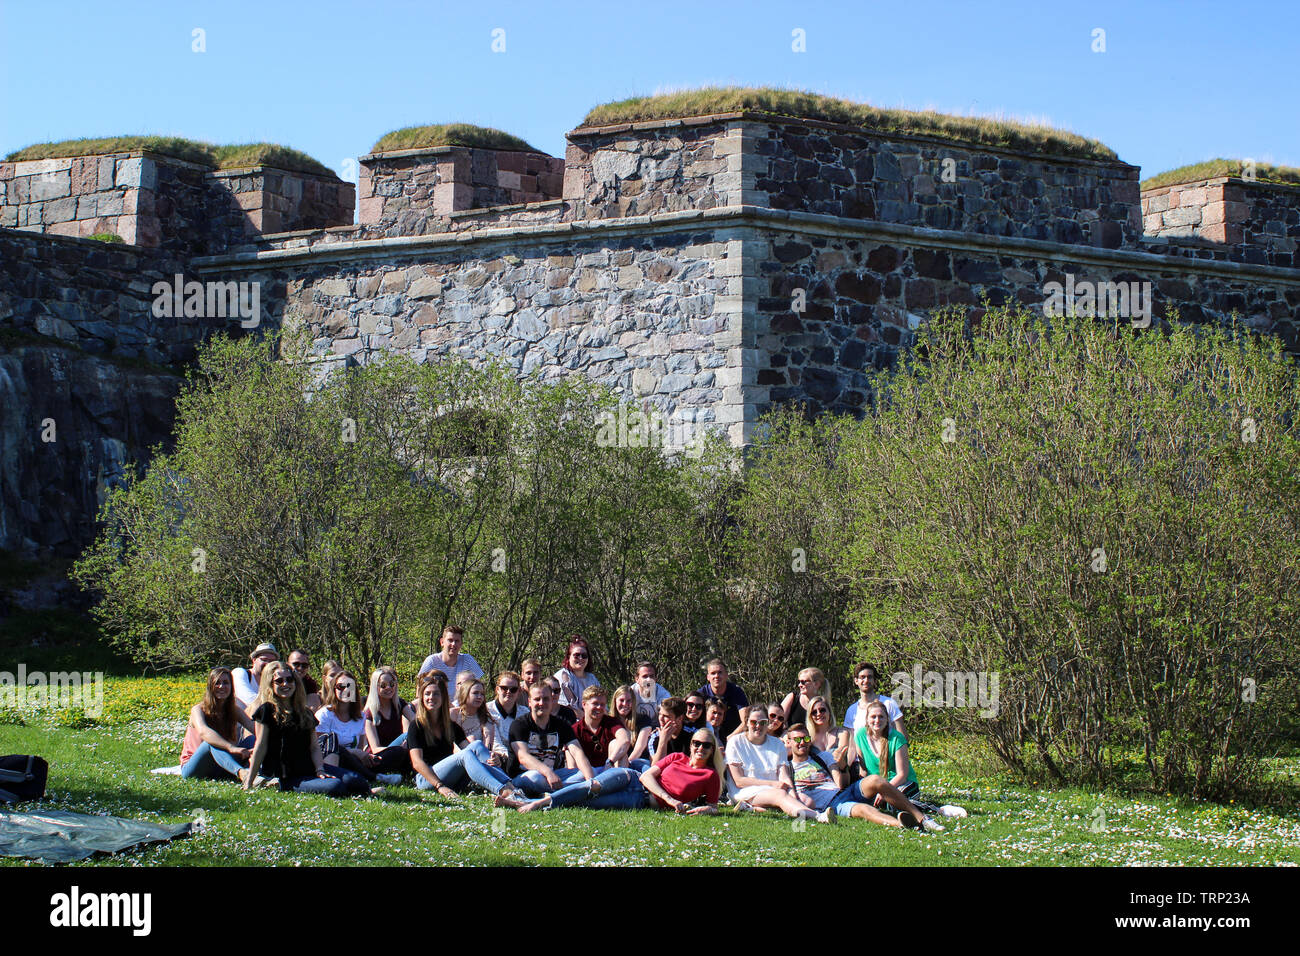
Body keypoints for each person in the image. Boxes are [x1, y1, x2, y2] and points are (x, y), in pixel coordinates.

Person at [505, 728, 726, 814]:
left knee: (586, 802)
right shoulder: (677, 757)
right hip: (631, 779)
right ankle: (536, 803)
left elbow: (715, 807)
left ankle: (525, 800)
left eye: (706, 745)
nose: (700, 748)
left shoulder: (710, 776)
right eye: (696, 743)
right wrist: (669, 799)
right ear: (691, 744)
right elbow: (648, 775)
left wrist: (706, 810)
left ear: (712, 749)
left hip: (638, 801)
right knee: (590, 786)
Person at [244, 663, 372, 796]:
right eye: (279, 681)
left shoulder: (305, 713)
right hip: (286, 775)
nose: (285, 684)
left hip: (309, 767)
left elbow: (315, 747)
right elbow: (260, 746)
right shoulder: (266, 711)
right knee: (335, 786)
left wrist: (320, 770)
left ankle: (364, 791)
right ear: (270, 684)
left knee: (357, 780)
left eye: (289, 679)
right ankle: (274, 784)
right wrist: (249, 782)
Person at [407, 672, 521, 801]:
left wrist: (493, 759)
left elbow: (473, 750)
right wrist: (440, 786)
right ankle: (503, 791)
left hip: (452, 779)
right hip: (427, 780)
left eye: (436, 694)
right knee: (465, 755)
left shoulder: (450, 726)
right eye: (427, 694)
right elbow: (417, 762)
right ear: (422, 697)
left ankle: (510, 786)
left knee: (477, 745)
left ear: (443, 698)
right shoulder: (416, 725)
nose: (431, 697)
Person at [849, 700, 965, 826]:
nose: (877, 720)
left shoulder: (897, 738)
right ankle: (906, 812)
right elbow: (863, 770)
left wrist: (884, 791)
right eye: (873, 717)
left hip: (902, 784)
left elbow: (902, 775)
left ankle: (937, 809)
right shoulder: (860, 736)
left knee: (892, 803)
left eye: (881, 717)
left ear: (887, 719)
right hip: (877, 786)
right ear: (867, 719)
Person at [725, 703, 825, 823]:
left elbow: (784, 776)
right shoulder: (735, 742)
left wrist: (794, 795)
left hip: (774, 789)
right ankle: (819, 817)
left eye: (762, 722)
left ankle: (754, 809)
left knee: (807, 802)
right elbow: (739, 781)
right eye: (753, 722)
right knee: (780, 796)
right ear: (746, 722)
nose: (758, 726)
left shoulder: (777, 744)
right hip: (746, 791)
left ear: (767, 723)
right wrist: (773, 784)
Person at [507, 682, 599, 796]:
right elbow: (523, 757)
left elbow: (577, 752)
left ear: (552, 701)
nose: (541, 703)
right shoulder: (519, 725)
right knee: (535, 778)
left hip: (553, 776)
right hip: (523, 776)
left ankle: (561, 792)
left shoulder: (561, 725)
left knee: (588, 771)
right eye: (537, 699)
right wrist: (548, 772)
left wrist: (591, 780)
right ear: (529, 702)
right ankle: (571, 792)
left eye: (546, 699)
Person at [316, 669, 397, 783]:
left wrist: (362, 755)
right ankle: (374, 777)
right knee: (341, 750)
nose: (346, 690)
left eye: (350, 686)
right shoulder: (324, 715)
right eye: (341, 687)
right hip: (330, 762)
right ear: (334, 689)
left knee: (396, 752)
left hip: (353, 762)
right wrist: (354, 752)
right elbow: (320, 746)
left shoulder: (360, 717)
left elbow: (359, 747)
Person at [180, 667, 255, 780]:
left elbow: (253, 727)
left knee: (252, 739)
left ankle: (262, 771)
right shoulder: (198, 710)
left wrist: (260, 745)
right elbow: (204, 732)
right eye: (217, 683)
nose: (221, 686)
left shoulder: (234, 710)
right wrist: (231, 748)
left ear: (231, 686)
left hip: (223, 765)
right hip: (196, 768)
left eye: (226, 683)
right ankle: (242, 774)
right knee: (210, 743)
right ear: (210, 687)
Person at [362, 665, 415, 776]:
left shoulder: (399, 704)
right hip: (379, 758)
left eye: (392, 684)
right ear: (375, 687)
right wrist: (399, 747)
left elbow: (417, 723)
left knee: (416, 733)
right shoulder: (369, 713)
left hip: (399, 751)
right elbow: (375, 749)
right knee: (406, 737)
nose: (388, 688)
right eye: (383, 685)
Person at [572, 686, 632, 769]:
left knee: (615, 744)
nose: (599, 707)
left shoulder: (612, 722)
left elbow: (625, 740)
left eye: (602, 704)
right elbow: (571, 765)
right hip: (586, 774)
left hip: (610, 770)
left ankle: (620, 779)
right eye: (595, 703)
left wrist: (610, 762)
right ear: (584, 704)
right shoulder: (575, 729)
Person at [842, 662, 906, 737]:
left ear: (875, 681)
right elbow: (850, 743)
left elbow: (902, 737)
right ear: (856, 681)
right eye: (862, 677)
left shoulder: (889, 703)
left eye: (869, 677)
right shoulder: (852, 710)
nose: (866, 680)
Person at [417, 625, 484, 687]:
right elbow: (420, 690)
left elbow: (480, 687)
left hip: (462, 700)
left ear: (461, 644)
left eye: (457, 641)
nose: (454, 644)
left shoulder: (467, 660)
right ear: (442, 642)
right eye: (450, 640)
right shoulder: (432, 661)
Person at [486, 670, 527, 766]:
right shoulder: (487, 710)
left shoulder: (525, 713)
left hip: (522, 760)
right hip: (498, 759)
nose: (509, 692)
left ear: (519, 691)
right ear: (497, 689)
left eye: (513, 689)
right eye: (504, 688)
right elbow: (495, 744)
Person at [698, 659, 748, 737]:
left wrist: (730, 739)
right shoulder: (701, 694)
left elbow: (746, 721)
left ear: (726, 675)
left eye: (720, 672)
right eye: (713, 673)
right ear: (708, 677)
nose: (716, 676)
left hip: (734, 737)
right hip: (707, 738)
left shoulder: (736, 692)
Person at [554, 636, 599, 711]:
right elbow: (572, 709)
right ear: (569, 657)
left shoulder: (592, 678)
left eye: (584, 656)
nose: (580, 658)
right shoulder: (563, 676)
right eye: (576, 655)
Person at [612, 684, 654, 765]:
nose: (625, 704)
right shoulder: (609, 722)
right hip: (614, 764)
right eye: (621, 700)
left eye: (629, 701)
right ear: (615, 701)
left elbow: (639, 749)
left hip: (638, 762)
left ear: (633, 702)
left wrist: (626, 764)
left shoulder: (644, 719)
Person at [806, 695, 849, 771]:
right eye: (814, 712)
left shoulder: (842, 733)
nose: (818, 714)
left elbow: (842, 754)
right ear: (810, 716)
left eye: (822, 710)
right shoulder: (807, 736)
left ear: (829, 711)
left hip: (840, 775)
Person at [232, 642, 279, 709]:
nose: (268, 664)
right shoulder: (239, 673)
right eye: (264, 659)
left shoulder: (277, 682)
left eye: (272, 661)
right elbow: (249, 699)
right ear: (254, 660)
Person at [647, 697, 692, 766]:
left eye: (666, 716)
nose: (661, 719)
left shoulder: (693, 734)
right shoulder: (655, 737)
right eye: (660, 714)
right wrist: (663, 741)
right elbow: (655, 767)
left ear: (680, 718)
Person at [454, 677, 495, 752]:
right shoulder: (454, 714)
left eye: (482, 694)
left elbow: (487, 749)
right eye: (475, 693)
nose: (479, 697)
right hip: (454, 757)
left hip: (477, 757)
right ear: (465, 693)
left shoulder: (486, 719)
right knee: (471, 739)